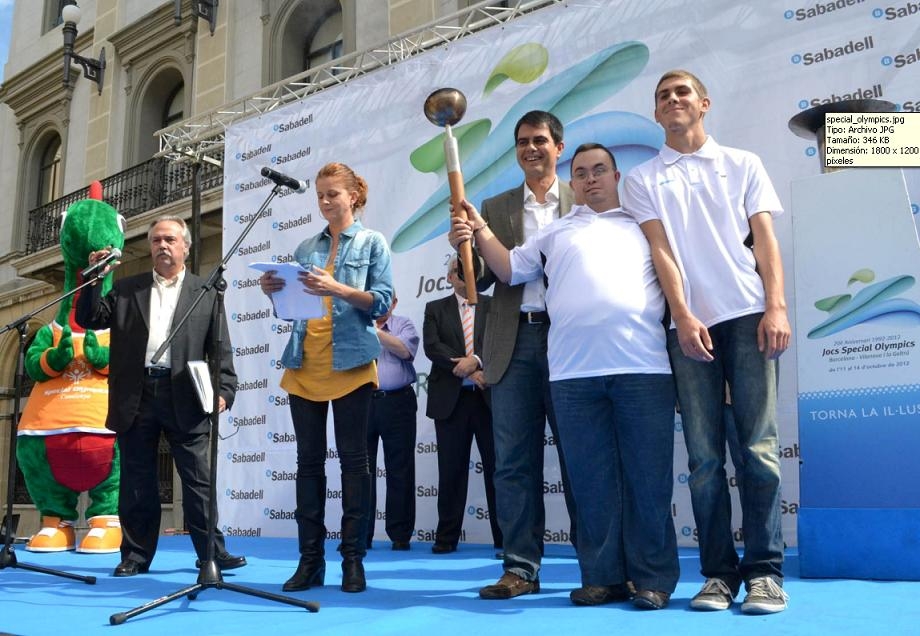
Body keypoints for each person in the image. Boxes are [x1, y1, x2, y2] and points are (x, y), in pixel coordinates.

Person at [451, 144, 679, 610]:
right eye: (581, 173)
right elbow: (510, 269)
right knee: (591, 480)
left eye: (600, 170)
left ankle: (651, 578)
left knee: (647, 479)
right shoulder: (556, 232)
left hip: (642, 368)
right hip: (573, 375)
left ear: (617, 176)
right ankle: (602, 577)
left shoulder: (647, 225)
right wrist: (478, 228)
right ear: (571, 182)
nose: (591, 178)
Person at [621, 69, 791, 615]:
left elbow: (764, 240)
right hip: (687, 328)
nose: (672, 100)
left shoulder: (743, 163)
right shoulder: (642, 177)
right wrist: (682, 313)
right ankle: (718, 574)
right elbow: (660, 251)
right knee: (702, 460)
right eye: (662, 95)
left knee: (759, 451)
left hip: (748, 315)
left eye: (681, 93)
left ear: (704, 104)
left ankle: (765, 573)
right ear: (656, 112)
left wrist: (776, 306)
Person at [452, 110, 577, 599]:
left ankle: (599, 565)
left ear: (558, 147)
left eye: (540, 140)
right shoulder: (495, 206)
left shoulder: (584, 202)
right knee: (512, 464)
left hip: (572, 342)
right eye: (523, 141)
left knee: (580, 458)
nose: (531, 148)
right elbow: (476, 280)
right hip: (513, 343)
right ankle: (520, 568)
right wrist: (459, 254)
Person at [75, 215, 244, 577]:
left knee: (198, 479)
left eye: (170, 239)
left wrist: (225, 391)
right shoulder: (126, 289)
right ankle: (135, 556)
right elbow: (90, 317)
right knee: (137, 481)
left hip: (186, 393)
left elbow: (221, 350)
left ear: (185, 246)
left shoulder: (206, 292)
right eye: (156, 240)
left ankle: (212, 553)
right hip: (136, 394)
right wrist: (94, 278)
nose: (163, 245)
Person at [259, 162, 393, 594]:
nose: (324, 201)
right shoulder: (305, 248)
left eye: (332, 193)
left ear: (354, 195)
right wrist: (276, 292)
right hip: (305, 364)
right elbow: (292, 312)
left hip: (352, 363)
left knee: (355, 466)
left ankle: (353, 561)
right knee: (307, 466)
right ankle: (310, 561)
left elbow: (381, 303)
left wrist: (337, 288)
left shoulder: (373, 242)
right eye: (319, 195)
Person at [423, 256, 502, 555]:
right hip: (451, 402)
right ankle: (446, 539)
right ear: (449, 278)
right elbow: (433, 347)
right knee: (451, 471)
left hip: (489, 400)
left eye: (470, 271)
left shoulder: (494, 306)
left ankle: (505, 539)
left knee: (499, 470)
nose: (465, 276)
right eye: (459, 271)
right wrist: (470, 368)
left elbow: (498, 343)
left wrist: (479, 361)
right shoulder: (435, 309)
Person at [365, 294, 419, 551]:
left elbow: (406, 351)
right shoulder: (355, 325)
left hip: (398, 402)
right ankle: (360, 534)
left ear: (395, 302)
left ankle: (400, 534)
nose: (379, 304)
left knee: (400, 468)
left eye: (385, 298)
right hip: (362, 402)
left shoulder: (403, 324)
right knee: (361, 470)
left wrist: (373, 331)